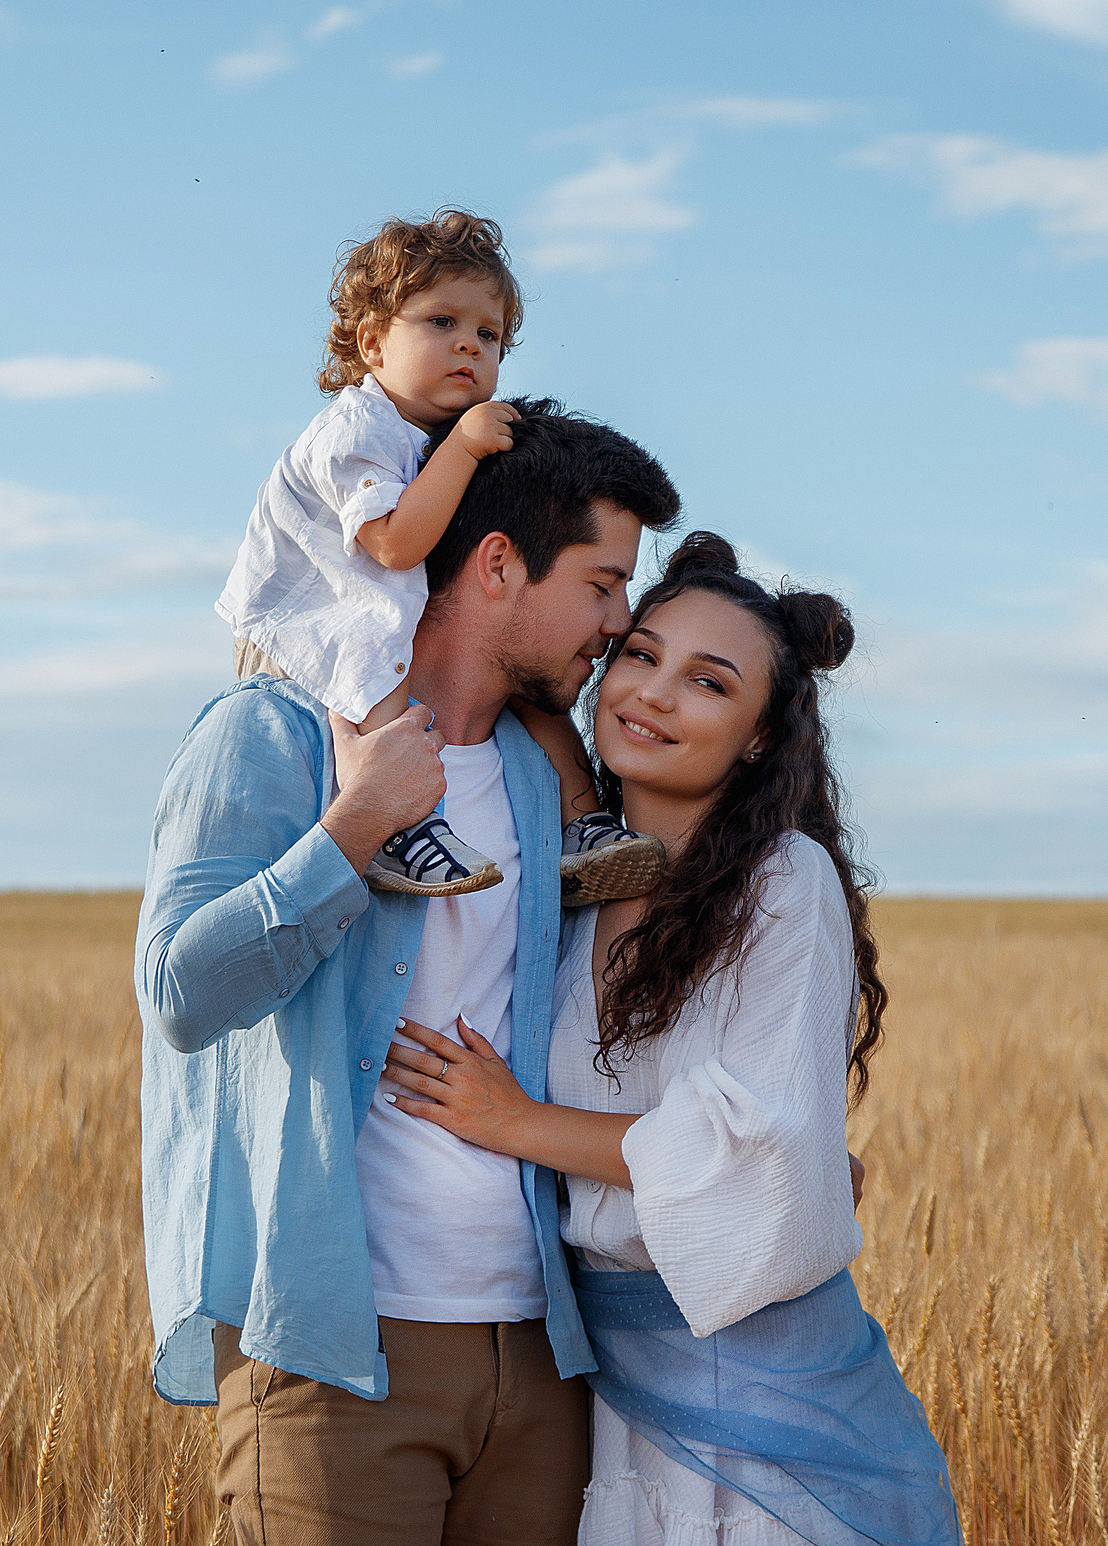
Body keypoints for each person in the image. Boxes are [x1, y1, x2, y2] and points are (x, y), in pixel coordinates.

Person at [137, 403, 684, 1546]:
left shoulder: (552, 785)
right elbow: (181, 996)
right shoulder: (267, 737)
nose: (617, 622)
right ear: (496, 566)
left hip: (542, 1356)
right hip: (339, 1354)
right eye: (599, 582)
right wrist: (353, 829)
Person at [380, 533, 965, 1546]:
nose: (651, 693)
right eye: (639, 655)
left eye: (706, 682)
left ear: (754, 738)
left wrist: (512, 1121)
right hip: (603, 1396)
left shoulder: (781, 881)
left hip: (766, 1400)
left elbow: (747, 1145)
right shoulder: (567, 888)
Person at [217, 208, 663, 905]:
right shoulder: (354, 430)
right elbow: (395, 543)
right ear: (371, 343)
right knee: (381, 669)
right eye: (441, 323)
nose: (469, 347)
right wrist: (464, 447)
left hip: (378, 601)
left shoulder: (435, 435)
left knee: (527, 676)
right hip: (308, 618)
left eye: (488, 335)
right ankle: (400, 826)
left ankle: (580, 825)